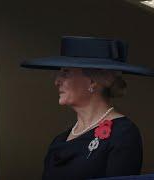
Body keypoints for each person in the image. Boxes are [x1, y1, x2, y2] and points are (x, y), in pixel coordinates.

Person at [21, 36, 154, 179]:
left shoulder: (123, 134)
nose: (57, 81)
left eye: (66, 72)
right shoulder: (59, 140)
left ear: (92, 81)